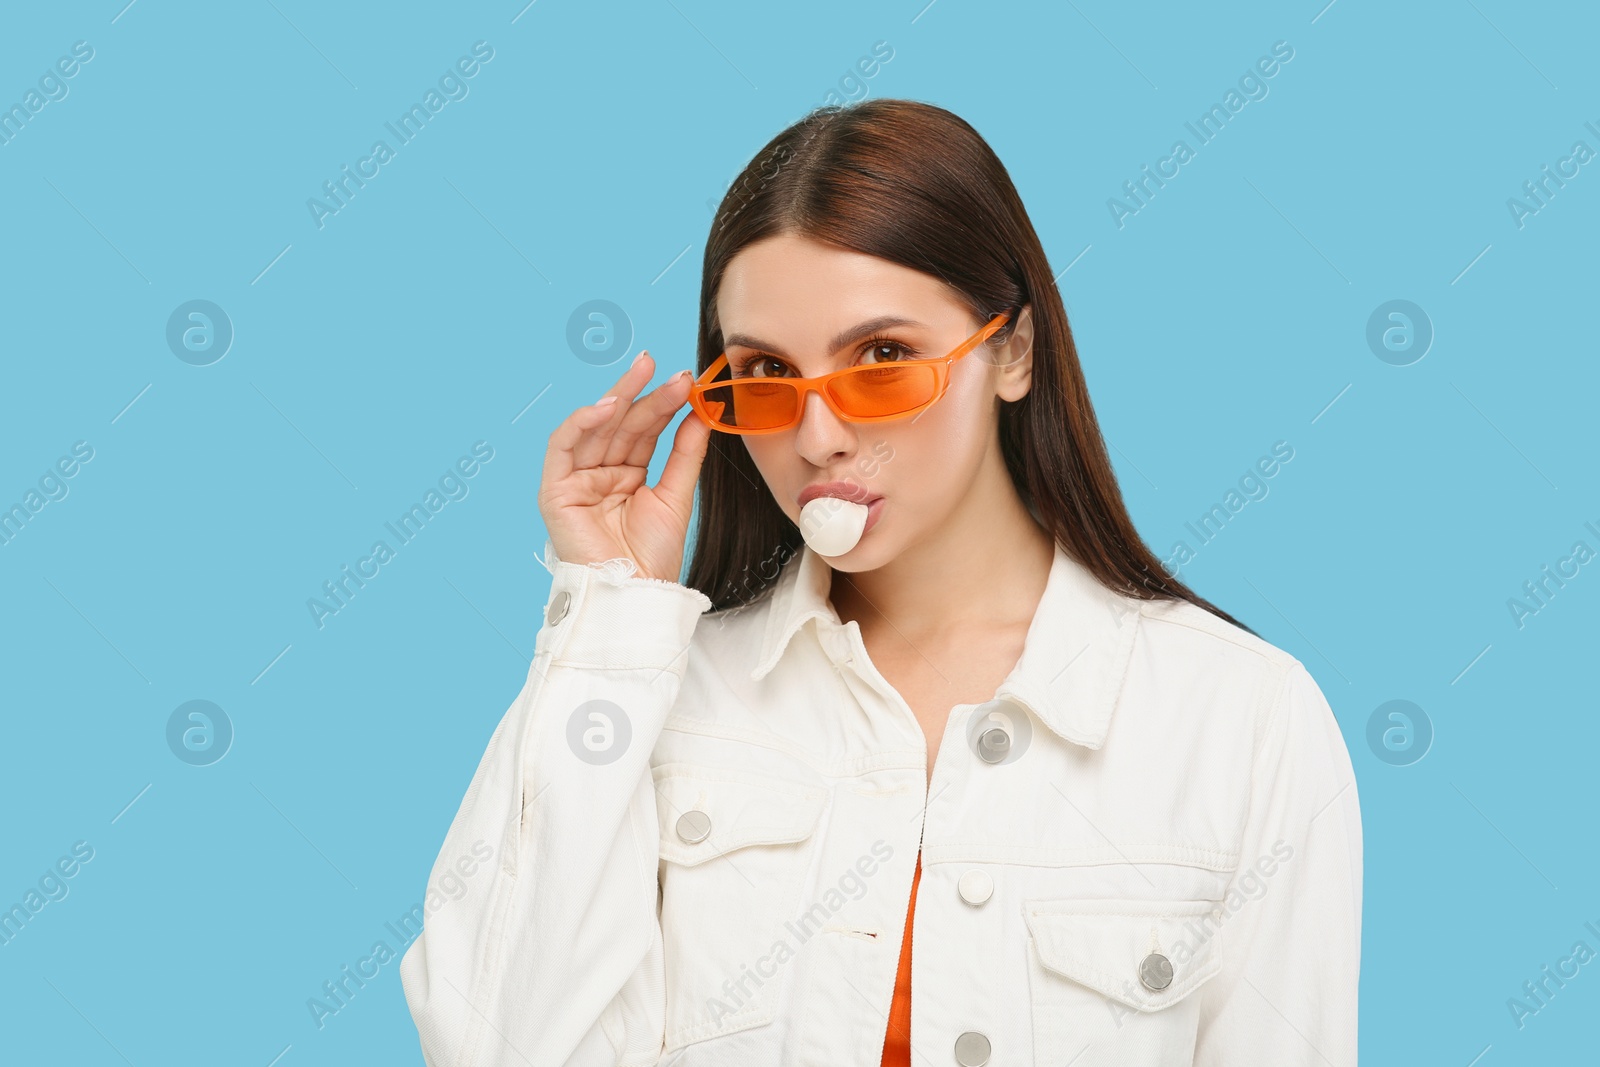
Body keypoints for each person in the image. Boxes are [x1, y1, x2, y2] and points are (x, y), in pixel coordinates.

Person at [399, 98, 1362, 1066]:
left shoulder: (1243, 716)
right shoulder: (657, 692)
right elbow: (496, 1044)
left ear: (1012, 350)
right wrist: (605, 616)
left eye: (884, 357)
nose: (818, 435)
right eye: (768, 371)